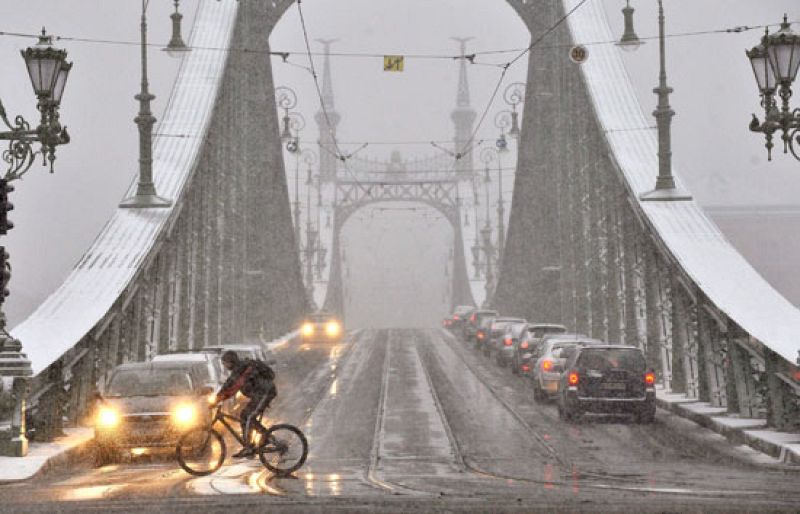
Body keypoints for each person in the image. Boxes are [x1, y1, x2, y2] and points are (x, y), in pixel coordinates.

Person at [214, 350, 277, 458]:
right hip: (260, 394)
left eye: (225, 363)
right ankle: (260, 440)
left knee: (248, 417)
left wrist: (218, 399)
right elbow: (229, 383)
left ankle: (250, 446)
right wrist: (219, 397)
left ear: (231, 362)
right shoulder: (238, 369)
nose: (224, 366)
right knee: (245, 415)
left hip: (264, 393)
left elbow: (233, 387)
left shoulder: (242, 369)